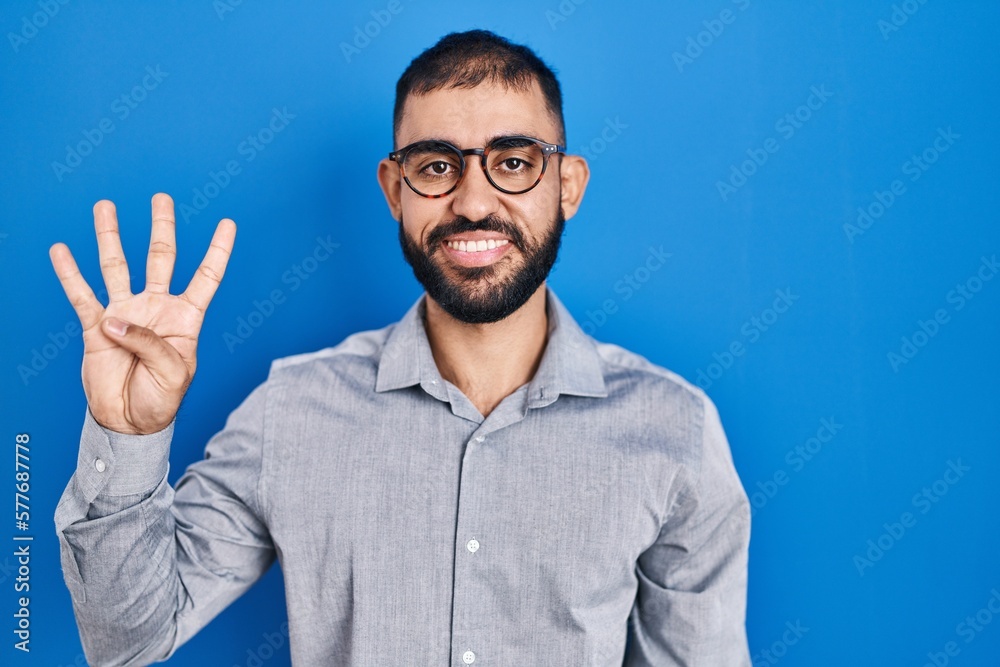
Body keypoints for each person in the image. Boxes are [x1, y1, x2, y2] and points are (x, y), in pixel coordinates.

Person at [52, 29, 751, 666]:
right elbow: (125, 638)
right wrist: (128, 434)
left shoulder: (674, 432)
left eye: (513, 161)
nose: (474, 202)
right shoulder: (292, 410)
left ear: (566, 186)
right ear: (395, 189)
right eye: (437, 165)